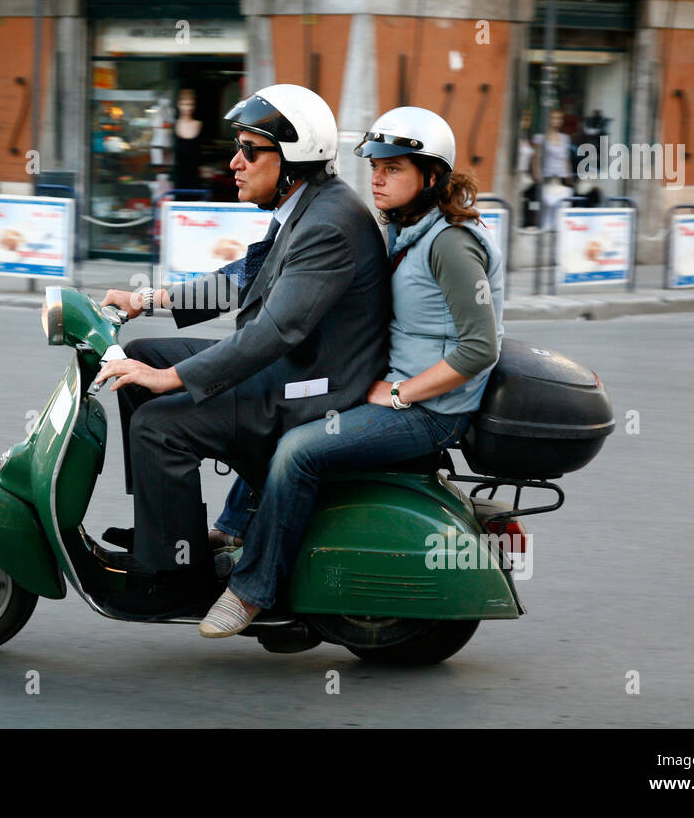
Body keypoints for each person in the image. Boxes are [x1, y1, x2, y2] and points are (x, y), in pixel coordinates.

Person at [197, 106, 505, 637]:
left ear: (431, 177)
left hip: (432, 411)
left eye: (394, 168)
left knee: (300, 449)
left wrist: (403, 394)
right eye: (375, 166)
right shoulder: (408, 226)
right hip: (392, 387)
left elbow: (480, 349)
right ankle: (233, 531)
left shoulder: (451, 243)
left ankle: (252, 592)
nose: (378, 178)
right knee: (283, 403)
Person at [93, 84, 390, 615]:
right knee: (145, 353)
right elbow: (242, 281)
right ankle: (168, 533)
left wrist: (172, 380)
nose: (235, 162)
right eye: (238, 148)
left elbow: (271, 332)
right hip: (295, 367)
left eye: (250, 150)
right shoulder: (307, 206)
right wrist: (147, 299)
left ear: (292, 158)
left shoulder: (329, 225)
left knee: (157, 420)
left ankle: (176, 578)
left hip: (313, 389)